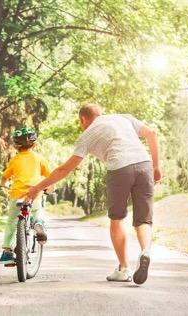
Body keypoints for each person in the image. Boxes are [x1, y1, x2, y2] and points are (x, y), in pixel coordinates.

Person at [26, 104, 161, 284]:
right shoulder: (123, 117)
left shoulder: (87, 135)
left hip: (119, 167)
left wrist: (37, 188)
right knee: (143, 220)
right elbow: (152, 134)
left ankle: (124, 268)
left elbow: (64, 169)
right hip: (144, 164)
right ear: (101, 114)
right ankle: (145, 251)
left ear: (83, 119)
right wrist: (156, 166)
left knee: (117, 219)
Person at [0, 127, 52, 265]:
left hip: (16, 194)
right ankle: (38, 224)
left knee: (11, 222)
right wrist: (50, 189)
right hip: (34, 193)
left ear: (16, 146)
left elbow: (4, 178)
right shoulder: (39, 158)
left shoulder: (14, 160)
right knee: (36, 211)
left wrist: (5, 184)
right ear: (34, 144)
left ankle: (7, 252)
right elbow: (50, 177)